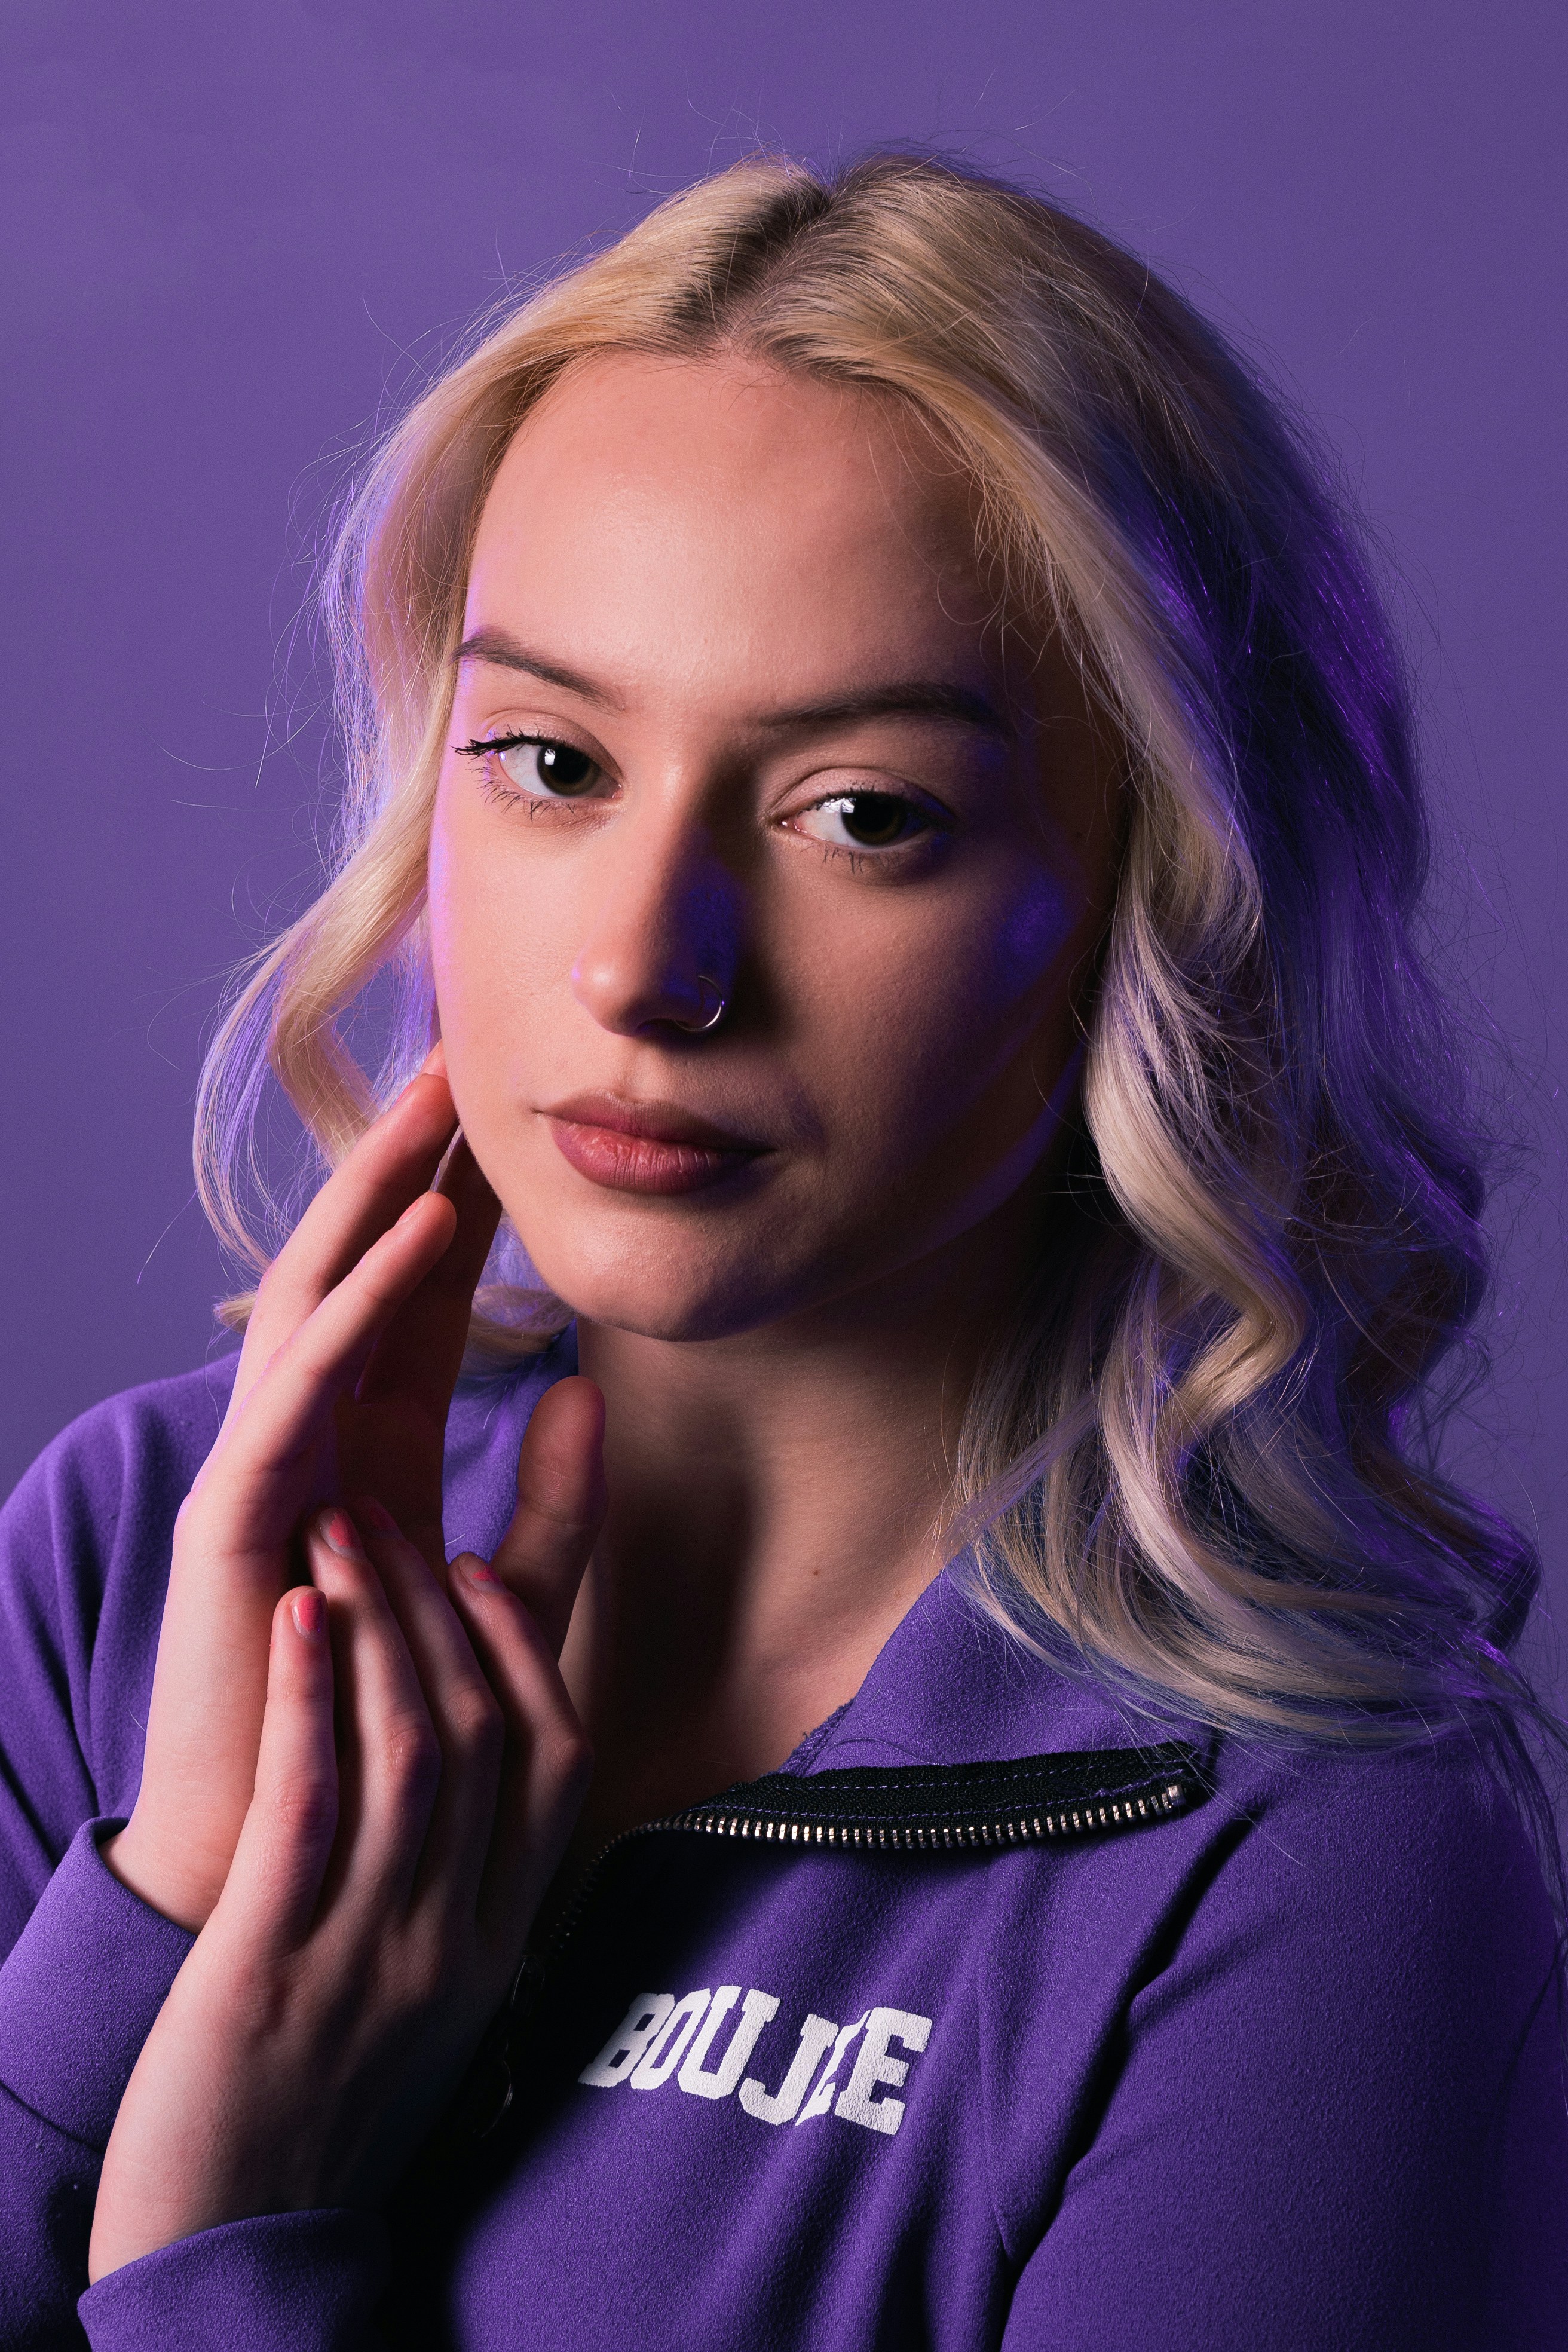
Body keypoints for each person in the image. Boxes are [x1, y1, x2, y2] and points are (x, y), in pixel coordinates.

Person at [0, 151, 1563, 2351]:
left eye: (865, 815)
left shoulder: (1314, 1877)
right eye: (548, 761)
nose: (651, 963)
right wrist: (161, 1910)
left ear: (1158, 896)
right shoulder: (126, 1562)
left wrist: (221, 2241)